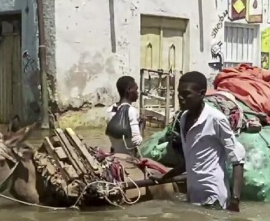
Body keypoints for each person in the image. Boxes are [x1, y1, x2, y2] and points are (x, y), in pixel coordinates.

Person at [153, 71, 245, 212]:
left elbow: (237, 160)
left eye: (186, 94)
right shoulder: (183, 118)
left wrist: (235, 200)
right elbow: (190, 161)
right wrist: (164, 177)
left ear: (201, 94)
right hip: (193, 195)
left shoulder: (216, 119)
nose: (180, 98)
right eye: (179, 94)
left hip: (214, 197)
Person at [105, 76, 143, 155]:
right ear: (129, 90)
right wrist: (142, 125)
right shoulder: (131, 111)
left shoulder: (109, 110)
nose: (137, 92)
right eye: (136, 89)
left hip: (115, 154)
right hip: (127, 157)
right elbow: (137, 141)